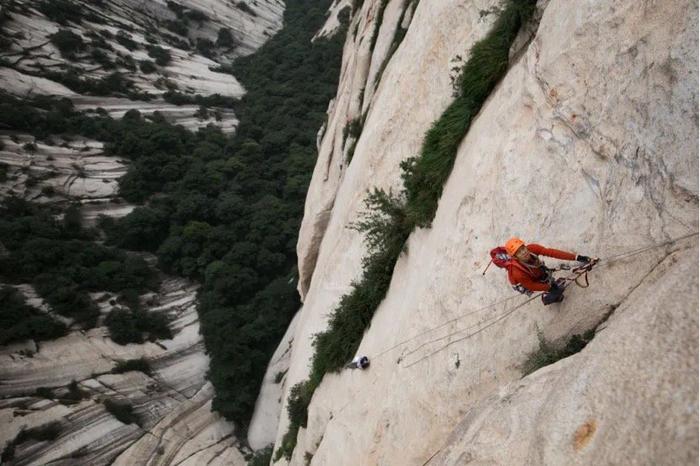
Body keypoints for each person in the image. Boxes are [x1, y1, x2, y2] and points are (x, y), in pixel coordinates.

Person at [499, 237, 593, 305]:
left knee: (545, 276)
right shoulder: (518, 273)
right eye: (519, 252)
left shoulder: (532, 248)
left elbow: (552, 253)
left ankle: (552, 286)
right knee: (556, 290)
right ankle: (547, 298)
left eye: (523, 248)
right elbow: (532, 286)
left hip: (534, 270)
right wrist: (549, 288)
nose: (524, 252)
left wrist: (577, 257)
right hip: (526, 280)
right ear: (515, 257)